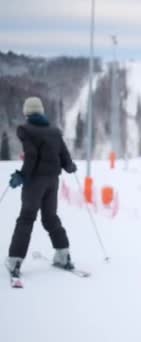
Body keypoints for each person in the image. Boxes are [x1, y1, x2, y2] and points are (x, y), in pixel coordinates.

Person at [5, 97, 78, 278]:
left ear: (27, 112)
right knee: (50, 217)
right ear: (41, 111)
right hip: (52, 181)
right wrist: (70, 166)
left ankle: (15, 260)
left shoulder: (26, 130)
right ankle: (63, 255)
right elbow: (64, 154)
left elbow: (31, 156)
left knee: (27, 218)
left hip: (35, 181)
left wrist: (22, 175)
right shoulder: (54, 131)